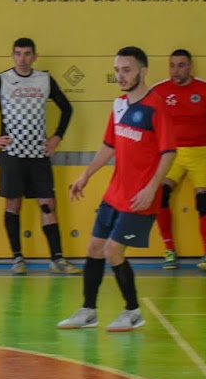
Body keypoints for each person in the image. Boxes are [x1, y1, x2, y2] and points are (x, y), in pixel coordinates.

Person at [57, 47, 176, 331]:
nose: (120, 76)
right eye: (118, 70)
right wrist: (86, 175)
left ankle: (133, 311)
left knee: (112, 250)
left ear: (143, 71)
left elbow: (169, 152)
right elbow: (109, 145)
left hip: (140, 197)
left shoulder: (156, 107)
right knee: (95, 247)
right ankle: (88, 311)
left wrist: (151, 188)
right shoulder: (119, 105)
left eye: (127, 70)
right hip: (115, 192)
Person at [0, 37, 80, 275]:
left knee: (48, 205)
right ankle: (17, 258)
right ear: (12, 55)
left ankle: (57, 259)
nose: (23, 58)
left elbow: (67, 108)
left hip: (39, 154)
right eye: (18, 53)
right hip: (13, 154)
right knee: (13, 204)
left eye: (27, 53)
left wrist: (57, 136)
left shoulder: (45, 79)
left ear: (35, 56)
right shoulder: (2, 80)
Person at [151, 49, 206, 271]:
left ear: (190, 67)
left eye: (181, 65)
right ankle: (169, 250)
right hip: (173, 152)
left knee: (204, 200)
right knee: (161, 193)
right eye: (172, 65)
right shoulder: (159, 91)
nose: (175, 70)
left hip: (203, 151)